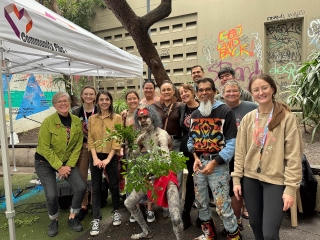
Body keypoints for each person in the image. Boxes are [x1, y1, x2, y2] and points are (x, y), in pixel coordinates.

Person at [232, 74, 303, 240]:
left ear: (272, 89)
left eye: (264, 88)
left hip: (275, 180)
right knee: (256, 226)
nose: (260, 92)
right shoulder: (249, 119)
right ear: (251, 93)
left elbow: (294, 155)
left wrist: (291, 188)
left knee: (270, 233)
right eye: (256, 89)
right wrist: (236, 179)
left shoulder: (287, 118)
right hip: (250, 178)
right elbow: (240, 151)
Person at [187, 78, 241, 240]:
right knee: (201, 201)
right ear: (196, 93)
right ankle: (209, 234)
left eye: (207, 89)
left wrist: (214, 162)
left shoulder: (225, 112)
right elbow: (191, 140)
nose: (204, 93)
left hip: (218, 165)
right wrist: (195, 157)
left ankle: (233, 235)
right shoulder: (195, 114)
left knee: (222, 204)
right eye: (201, 90)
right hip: (199, 164)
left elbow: (232, 143)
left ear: (214, 91)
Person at [124, 104, 183, 240]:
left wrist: (153, 173)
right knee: (129, 203)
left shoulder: (161, 135)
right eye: (140, 118)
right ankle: (146, 232)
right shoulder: (142, 137)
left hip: (166, 176)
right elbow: (133, 156)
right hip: (150, 176)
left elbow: (166, 159)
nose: (143, 120)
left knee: (175, 217)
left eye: (146, 117)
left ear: (153, 117)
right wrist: (129, 147)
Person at [35, 92, 86, 237]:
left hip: (66, 162)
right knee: (51, 195)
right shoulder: (48, 122)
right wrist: (59, 167)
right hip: (44, 161)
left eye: (65, 101)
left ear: (69, 102)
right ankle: (54, 220)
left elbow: (77, 145)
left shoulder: (76, 121)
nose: (63, 103)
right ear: (54, 105)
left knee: (81, 187)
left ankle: (72, 217)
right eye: (59, 102)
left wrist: (68, 166)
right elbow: (44, 147)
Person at [221, 80, 257, 231]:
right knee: (230, 191)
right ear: (222, 95)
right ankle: (233, 222)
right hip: (226, 156)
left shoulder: (252, 107)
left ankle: (243, 220)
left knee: (244, 190)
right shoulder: (219, 110)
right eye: (228, 91)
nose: (231, 94)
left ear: (240, 92)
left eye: (234, 91)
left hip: (248, 156)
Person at [87, 91, 123, 236]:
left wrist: (108, 159)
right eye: (101, 99)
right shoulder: (92, 119)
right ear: (97, 101)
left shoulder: (117, 118)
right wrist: (95, 158)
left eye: (107, 99)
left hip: (111, 155)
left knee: (114, 184)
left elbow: (117, 140)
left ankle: (116, 211)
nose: (104, 102)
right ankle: (96, 218)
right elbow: (90, 139)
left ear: (110, 101)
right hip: (95, 155)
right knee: (96, 187)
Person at [152, 80, 184, 213]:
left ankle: (176, 208)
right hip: (160, 145)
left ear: (173, 91)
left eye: (169, 89)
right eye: (163, 90)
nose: (166, 92)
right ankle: (165, 206)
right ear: (160, 92)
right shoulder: (154, 106)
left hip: (177, 144)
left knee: (178, 176)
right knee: (163, 175)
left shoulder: (180, 106)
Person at [124, 90, 155, 223]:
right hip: (132, 151)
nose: (132, 101)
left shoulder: (144, 112)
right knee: (133, 179)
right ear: (126, 101)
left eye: (134, 98)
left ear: (139, 99)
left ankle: (149, 209)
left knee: (147, 179)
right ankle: (135, 209)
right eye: (129, 99)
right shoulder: (124, 116)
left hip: (146, 150)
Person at [72, 86, 99, 221]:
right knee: (81, 177)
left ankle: (95, 205)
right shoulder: (76, 112)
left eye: (91, 94)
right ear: (82, 96)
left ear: (95, 96)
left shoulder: (100, 110)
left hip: (97, 148)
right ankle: (83, 205)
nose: (88, 96)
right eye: (86, 94)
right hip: (81, 148)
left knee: (96, 177)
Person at [179, 83, 199, 230]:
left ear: (192, 92)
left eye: (186, 91)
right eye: (181, 93)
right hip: (186, 148)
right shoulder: (181, 108)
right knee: (190, 181)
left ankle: (202, 215)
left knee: (199, 181)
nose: (184, 94)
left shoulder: (203, 107)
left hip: (200, 149)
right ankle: (186, 213)